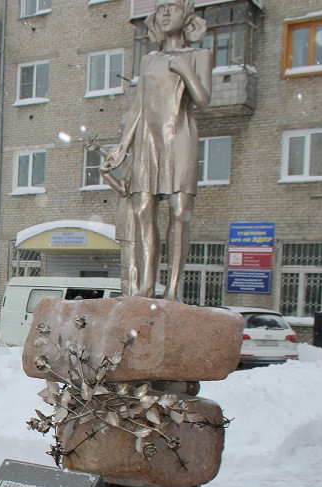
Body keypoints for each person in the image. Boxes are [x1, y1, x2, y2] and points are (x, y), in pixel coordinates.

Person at [102, 0, 211, 299]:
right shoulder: (148, 60)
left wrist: (186, 71)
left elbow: (203, 101)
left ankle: (173, 289)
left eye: (172, 7)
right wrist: (122, 147)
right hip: (148, 139)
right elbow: (138, 106)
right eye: (160, 7)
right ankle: (147, 285)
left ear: (187, 16)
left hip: (180, 137)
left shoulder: (199, 55)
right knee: (143, 211)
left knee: (180, 213)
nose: (164, 13)